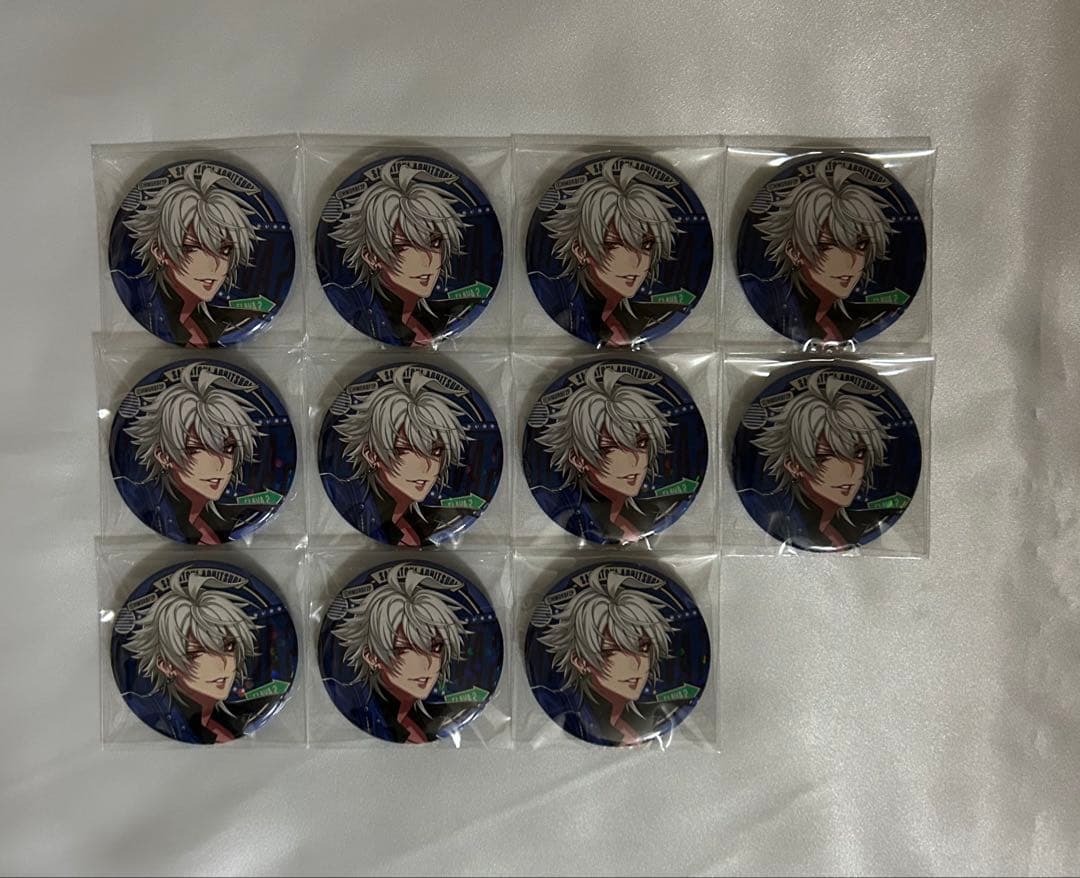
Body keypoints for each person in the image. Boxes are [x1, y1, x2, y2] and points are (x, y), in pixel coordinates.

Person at [537, 365, 688, 543]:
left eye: (641, 443)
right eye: (611, 448)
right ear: (578, 459)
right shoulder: (553, 502)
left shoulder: (650, 512)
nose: (635, 461)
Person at [542, 157, 684, 345]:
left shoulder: (648, 318)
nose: (636, 261)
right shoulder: (549, 292)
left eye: (646, 245)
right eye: (614, 245)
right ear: (581, 250)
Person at [754, 159, 897, 341]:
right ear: (794, 252)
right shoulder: (762, 295)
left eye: (860, 245)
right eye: (828, 246)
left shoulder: (861, 320)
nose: (850, 262)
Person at [331, 161, 468, 346]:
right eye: (404, 246)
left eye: (434, 243)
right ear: (371, 257)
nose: (427, 260)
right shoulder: (346, 302)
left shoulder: (440, 319)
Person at [124, 163, 261, 346]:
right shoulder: (137, 299)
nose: (214, 265)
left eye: (224, 250)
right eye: (193, 248)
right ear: (160, 251)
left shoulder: (216, 324)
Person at [334, 366, 472, 546]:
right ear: (372, 455)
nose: (427, 466)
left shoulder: (434, 522)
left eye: (436, 451)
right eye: (406, 450)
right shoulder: (343, 496)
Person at [125, 363, 262, 545]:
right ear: (164, 456)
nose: (219, 464)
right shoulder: (145, 502)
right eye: (197, 450)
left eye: (228, 449)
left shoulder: (224, 521)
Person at [539, 567, 678, 746]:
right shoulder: (556, 704)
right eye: (614, 651)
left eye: (643, 648)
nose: (636, 664)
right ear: (580, 661)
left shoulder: (651, 716)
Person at [752, 372, 891, 549]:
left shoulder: (859, 525)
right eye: (826, 457)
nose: (849, 470)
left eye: (858, 454)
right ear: (793, 465)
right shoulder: (771, 514)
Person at [333, 565, 467, 744]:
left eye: (435, 648)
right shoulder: (359, 708)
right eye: (405, 650)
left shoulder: (432, 718)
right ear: (372, 656)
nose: (427, 664)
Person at [124, 568, 260, 744]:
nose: (222, 663)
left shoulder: (229, 722)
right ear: (166, 665)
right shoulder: (149, 712)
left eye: (228, 646)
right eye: (198, 653)